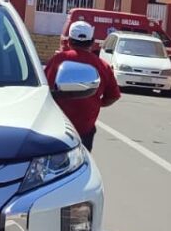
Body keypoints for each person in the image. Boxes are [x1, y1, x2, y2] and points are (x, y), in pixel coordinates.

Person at [45, 21, 121, 151]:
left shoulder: (58, 60)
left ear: (69, 41)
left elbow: (44, 87)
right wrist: (97, 102)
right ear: (91, 42)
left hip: (57, 126)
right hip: (85, 129)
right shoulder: (102, 66)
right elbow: (113, 96)